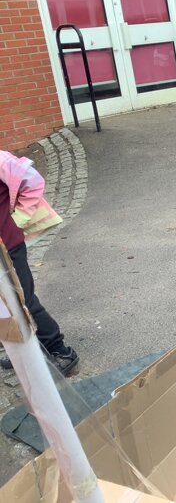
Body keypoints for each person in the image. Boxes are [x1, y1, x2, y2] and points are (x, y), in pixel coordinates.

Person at [0, 151, 79, 376]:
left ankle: (61, 351)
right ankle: (27, 351)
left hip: (7, 248)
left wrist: (18, 220)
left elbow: (33, 182)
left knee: (22, 300)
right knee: (5, 306)